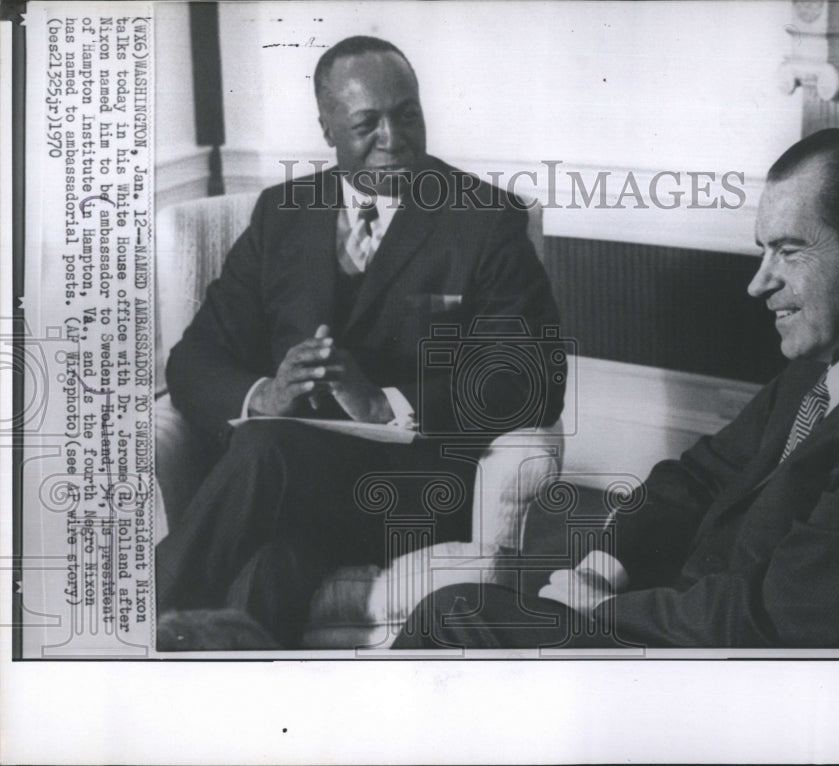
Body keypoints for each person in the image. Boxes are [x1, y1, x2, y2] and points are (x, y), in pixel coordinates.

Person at [393, 128, 839, 650]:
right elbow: (699, 474)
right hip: (677, 612)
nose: (760, 283)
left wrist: (601, 609)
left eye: (788, 251)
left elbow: (778, 617)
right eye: (763, 251)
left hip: (720, 676)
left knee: (453, 616)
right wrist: (601, 566)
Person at [156, 36, 565, 648]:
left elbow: (534, 379)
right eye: (366, 123)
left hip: (410, 491)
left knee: (266, 450)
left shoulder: (485, 221)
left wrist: (384, 403)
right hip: (284, 497)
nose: (394, 139)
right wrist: (264, 393)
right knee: (270, 567)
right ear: (326, 128)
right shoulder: (283, 214)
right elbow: (193, 360)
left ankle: (125, 636)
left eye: (407, 115)